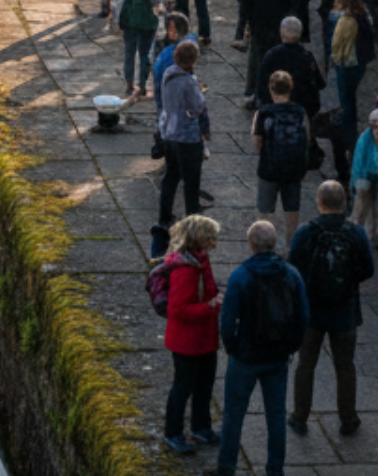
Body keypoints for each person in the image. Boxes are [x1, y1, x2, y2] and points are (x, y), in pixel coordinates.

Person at [211, 221, 307, 476]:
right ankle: (275, 468)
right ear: (274, 243)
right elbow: (303, 317)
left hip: (246, 354)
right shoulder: (292, 274)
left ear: (251, 244)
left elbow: (227, 321)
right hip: (278, 354)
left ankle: (226, 467)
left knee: (234, 413)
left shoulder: (241, 275)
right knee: (276, 414)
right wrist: (290, 347)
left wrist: (233, 348)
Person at [287, 181, 375, 437]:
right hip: (345, 310)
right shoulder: (356, 233)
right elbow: (368, 269)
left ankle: (300, 417)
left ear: (319, 202)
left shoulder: (305, 231)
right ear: (343, 202)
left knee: (306, 364)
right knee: (345, 365)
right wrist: (346, 281)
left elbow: (293, 267)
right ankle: (348, 418)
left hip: (311, 310)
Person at [159, 214, 222, 454]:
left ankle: (201, 427)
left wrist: (214, 299)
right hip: (187, 341)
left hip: (203, 337)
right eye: (211, 238)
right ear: (200, 239)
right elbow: (178, 309)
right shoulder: (185, 270)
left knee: (204, 385)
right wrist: (210, 306)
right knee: (183, 387)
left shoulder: (200, 260)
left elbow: (208, 289)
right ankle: (173, 433)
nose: (214, 242)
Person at [253, 71, 313, 239]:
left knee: (265, 212)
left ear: (270, 88)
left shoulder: (264, 112)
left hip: (269, 168)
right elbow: (307, 139)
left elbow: (257, 145)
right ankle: (291, 244)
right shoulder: (300, 111)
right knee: (292, 210)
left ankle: (264, 243)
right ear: (290, 89)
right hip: (294, 168)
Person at [157, 41, 210, 227]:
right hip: (187, 137)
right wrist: (206, 131)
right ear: (193, 60)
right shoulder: (188, 82)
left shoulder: (168, 73)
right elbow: (198, 108)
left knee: (170, 176)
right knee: (191, 181)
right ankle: (192, 220)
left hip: (168, 132)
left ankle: (164, 216)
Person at [115, 0, 167, 100]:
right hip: (147, 23)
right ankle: (142, 86)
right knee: (145, 55)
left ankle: (129, 84)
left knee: (129, 53)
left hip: (128, 21)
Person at [325, 0, 375, 123]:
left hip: (343, 60)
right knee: (352, 93)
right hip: (360, 60)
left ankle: (348, 123)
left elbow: (331, 41)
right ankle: (351, 120)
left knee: (345, 96)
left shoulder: (334, 17)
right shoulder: (365, 16)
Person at [349, 110, 378, 250]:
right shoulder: (365, 138)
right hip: (364, 175)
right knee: (360, 207)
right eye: (376, 126)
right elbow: (358, 163)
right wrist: (354, 184)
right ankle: (356, 234)